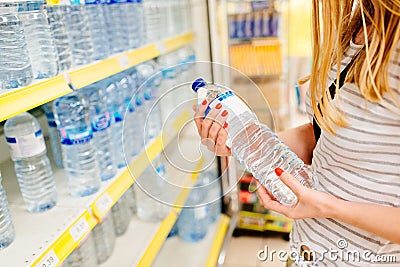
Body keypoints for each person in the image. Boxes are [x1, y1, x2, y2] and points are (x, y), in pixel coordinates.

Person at [194, 0, 400, 266]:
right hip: (306, 252)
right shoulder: (359, 25)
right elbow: (329, 134)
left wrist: (327, 207)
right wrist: (240, 141)